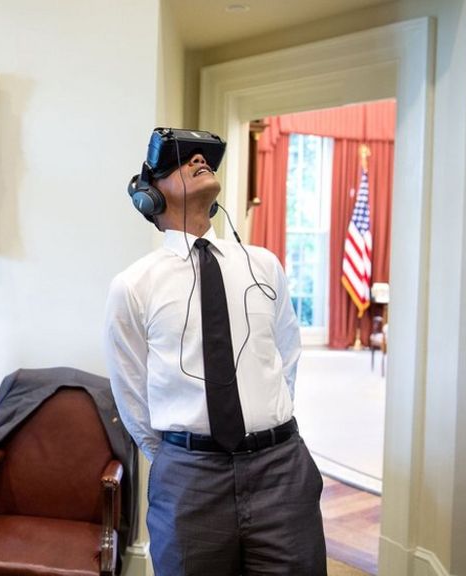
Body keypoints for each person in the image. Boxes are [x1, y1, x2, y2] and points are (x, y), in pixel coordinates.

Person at [105, 128, 325, 575]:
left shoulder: (263, 265)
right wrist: (179, 457)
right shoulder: (133, 286)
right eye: (181, 162)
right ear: (149, 196)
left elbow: (287, 356)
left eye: (205, 158)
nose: (200, 162)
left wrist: (266, 427)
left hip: (280, 469)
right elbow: (131, 396)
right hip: (190, 481)